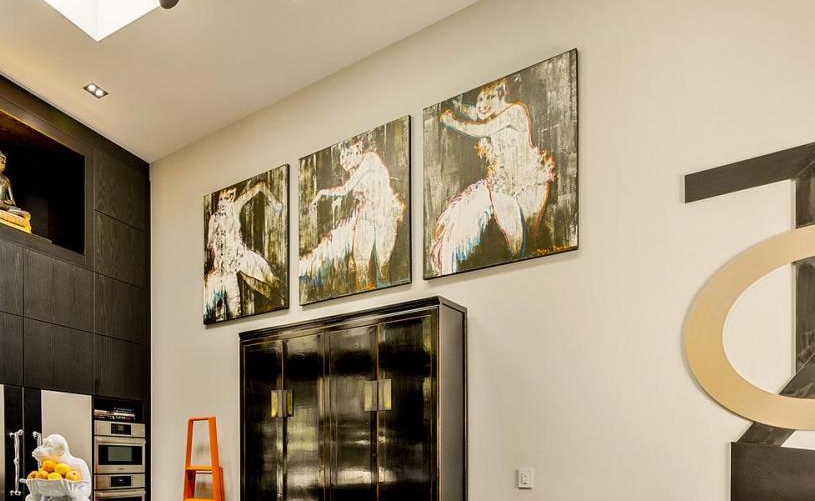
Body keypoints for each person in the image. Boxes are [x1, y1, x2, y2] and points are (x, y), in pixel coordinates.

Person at [428, 79, 556, 275]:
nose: (483, 104)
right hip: (502, 184)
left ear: (501, 95)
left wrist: (452, 122)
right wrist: (456, 106)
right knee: (515, 244)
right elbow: (473, 112)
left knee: (531, 239)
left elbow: (483, 129)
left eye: (490, 97)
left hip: (530, 179)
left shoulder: (515, 112)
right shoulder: (487, 113)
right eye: (480, 99)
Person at [300, 137, 405, 292]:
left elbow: (345, 189)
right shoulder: (355, 171)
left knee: (383, 269)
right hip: (366, 216)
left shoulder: (370, 159)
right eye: (341, 156)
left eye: (347, 154)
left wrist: (321, 194)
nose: (343, 160)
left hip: (384, 214)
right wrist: (322, 194)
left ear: (358, 148)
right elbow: (348, 191)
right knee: (361, 267)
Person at [205, 179, 282, 321]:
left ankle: (281, 298)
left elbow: (259, 187)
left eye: (226, 199)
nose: (222, 203)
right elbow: (210, 245)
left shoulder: (235, 207)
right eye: (220, 199)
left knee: (268, 276)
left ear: (232, 198)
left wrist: (275, 202)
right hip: (225, 268)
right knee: (230, 310)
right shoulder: (214, 219)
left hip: (241, 257)